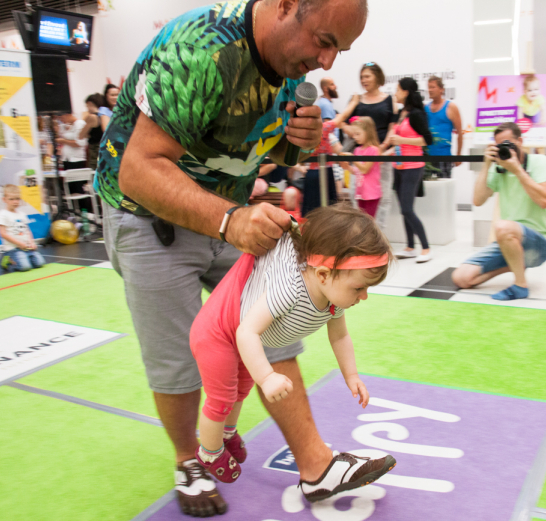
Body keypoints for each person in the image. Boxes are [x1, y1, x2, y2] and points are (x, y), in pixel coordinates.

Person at [93, 0, 369, 516]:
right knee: (179, 358)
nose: (328, 63)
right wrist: (229, 220)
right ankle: (187, 461)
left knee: (277, 322)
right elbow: (138, 170)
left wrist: (296, 146)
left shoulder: (290, 67)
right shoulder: (199, 49)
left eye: (340, 51)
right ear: (285, 6)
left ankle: (315, 465)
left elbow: (249, 146)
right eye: (325, 41)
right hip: (147, 212)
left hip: (227, 214)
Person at [191, 204, 395, 499]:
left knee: (241, 389)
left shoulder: (333, 295)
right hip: (218, 333)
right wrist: (267, 377)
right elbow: (246, 332)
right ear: (324, 274)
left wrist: (351, 375)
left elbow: (340, 336)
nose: (364, 296)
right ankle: (209, 452)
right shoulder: (290, 290)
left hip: (242, 333)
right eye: (359, 288)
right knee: (222, 397)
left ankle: (226, 433)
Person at [451, 122, 546, 300]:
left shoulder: (539, 162)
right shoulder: (499, 169)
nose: (504, 149)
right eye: (500, 145)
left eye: (508, 144)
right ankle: (515, 262)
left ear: (520, 141)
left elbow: (544, 200)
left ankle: (520, 285)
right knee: (461, 278)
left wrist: (517, 170)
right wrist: (486, 165)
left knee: (502, 227)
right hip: (508, 239)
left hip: (540, 242)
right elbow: (477, 200)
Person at [338, 63, 397, 228]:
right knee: (356, 194)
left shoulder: (389, 99)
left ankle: (379, 236)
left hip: (381, 155)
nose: (364, 80)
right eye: (362, 77)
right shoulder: (356, 100)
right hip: (360, 154)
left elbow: (393, 125)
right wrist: (355, 135)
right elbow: (342, 123)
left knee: (383, 197)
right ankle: (363, 234)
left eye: (367, 76)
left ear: (377, 77)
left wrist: (382, 147)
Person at [385, 77, 433, 263]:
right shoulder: (401, 113)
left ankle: (426, 247)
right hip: (399, 166)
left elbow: (427, 140)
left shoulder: (416, 114)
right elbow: (396, 140)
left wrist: (402, 141)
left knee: (407, 209)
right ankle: (410, 246)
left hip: (413, 166)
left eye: (397, 89)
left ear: (405, 92)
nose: (395, 93)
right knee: (405, 209)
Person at [340, 116, 381, 217]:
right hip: (360, 193)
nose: (355, 137)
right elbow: (357, 171)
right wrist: (348, 167)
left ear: (368, 132)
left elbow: (365, 169)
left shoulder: (373, 150)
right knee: (362, 221)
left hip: (371, 194)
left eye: (358, 134)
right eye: (354, 134)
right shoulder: (358, 150)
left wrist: (353, 158)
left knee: (368, 223)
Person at [0, 185, 45, 272]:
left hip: (26, 247)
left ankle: (23, 258)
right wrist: (19, 243)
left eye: (17, 199)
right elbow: (3, 234)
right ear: (4, 200)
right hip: (13, 249)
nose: (15, 202)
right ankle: (7, 261)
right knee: (25, 267)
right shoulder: (3, 214)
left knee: (40, 263)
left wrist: (32, 242)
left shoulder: (22, 214)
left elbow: (27, 230)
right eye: (11, 199)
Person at [425, 75, 463, 179]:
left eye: (433, 87)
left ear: (441, 89)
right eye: (428, 87)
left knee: (444, 189)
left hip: (444, 157)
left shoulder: (451, 107)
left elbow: (460, 133)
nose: (430, 90)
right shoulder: (425, 108)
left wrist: (458, 155)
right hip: (427, 157)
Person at [80, 93, 105, 170]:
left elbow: (81, 135)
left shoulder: (91, 117)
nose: (87, 109)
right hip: (104, 147)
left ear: (90, 104)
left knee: (94, 171)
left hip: (95, 149)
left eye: (87, 106)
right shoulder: (104, 115)